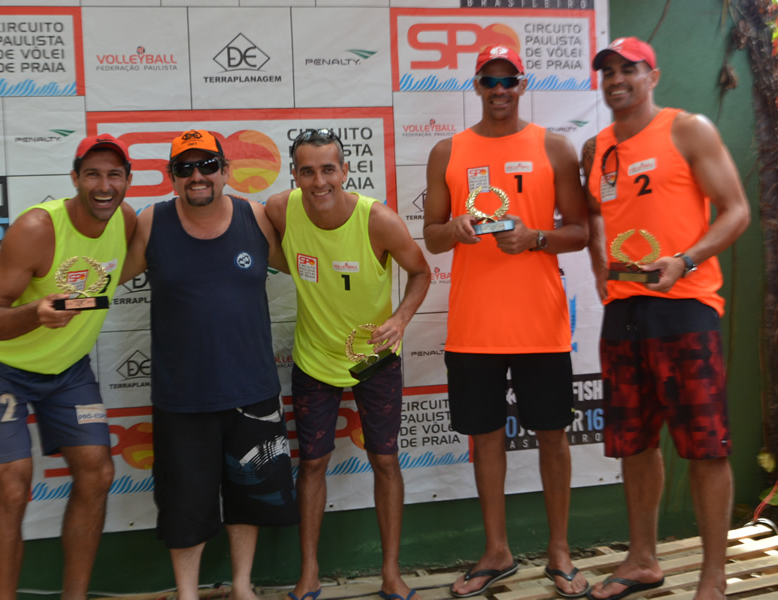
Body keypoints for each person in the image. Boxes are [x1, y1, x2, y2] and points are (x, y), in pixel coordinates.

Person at [581, 38, 750, 600]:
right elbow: (596, 214)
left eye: (628, 69)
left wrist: (685, 260)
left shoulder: (688, 129)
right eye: (607, 71)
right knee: (633, 443)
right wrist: (602, 270)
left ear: (652, 76)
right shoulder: (598, 148)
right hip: (623, 312)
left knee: (706, 446)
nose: (616, 79)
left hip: (686, 309)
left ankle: (713, 576)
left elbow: (736, 210)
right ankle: (642, 561)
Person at [423, 46, 589, 599]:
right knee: (486, 439)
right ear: (476, 85)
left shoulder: (554, 147)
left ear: (523, 84)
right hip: (475, 328)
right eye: (489, 81)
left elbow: (580, 232)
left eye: (508, 80)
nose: (499, 90)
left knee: (553, 437)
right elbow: (432, 236)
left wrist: (536, 238)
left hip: (541, 325)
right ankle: (496, 551)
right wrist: (456, 229)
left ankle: (560, 552)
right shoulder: (448, 151)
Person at [119, 130, 298, 600]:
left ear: (226, 171)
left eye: (207, 165)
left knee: (249, 495)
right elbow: (106, 274)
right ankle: (187, 593)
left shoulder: (255, 217)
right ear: (171, 176)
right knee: (185, 505)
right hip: (182, 396)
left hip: (252, 389)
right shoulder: (152, 222)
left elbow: (309, 262)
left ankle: (242, 586)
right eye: (185, 168)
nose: (197, 176)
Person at [0, 134, 137, 600]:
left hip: (67, 371)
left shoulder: (125, 220)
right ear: (74, 178)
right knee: (12, 487)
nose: (104, 186)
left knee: (98, 473)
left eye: (114, 175)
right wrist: (34, 313)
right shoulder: (37, 228)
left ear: (128, 180)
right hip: (1, 367)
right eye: (93, 174)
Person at [265, 129, 430, 600]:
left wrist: (400, 319)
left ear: (345, 170)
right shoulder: (279, 209)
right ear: (294, 174)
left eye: (328, 169)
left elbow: (421, 272)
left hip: (375, 360)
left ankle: (391, 572)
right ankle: (309, 572)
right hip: (314, 359)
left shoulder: (378, 220)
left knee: (385, 460)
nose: (319, 181)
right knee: (312, 464)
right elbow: (261, 239)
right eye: (308, 171)